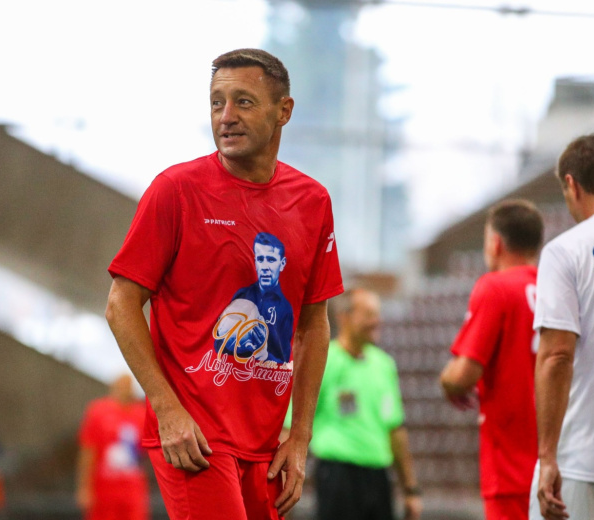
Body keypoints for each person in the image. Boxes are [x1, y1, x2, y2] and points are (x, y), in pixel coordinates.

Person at [105, 48, 344, 520]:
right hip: (194, 438)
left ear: (284, 110)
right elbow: (120, 305)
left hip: (266, 444)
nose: (226, 116)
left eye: (243, 102)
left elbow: (314, 325)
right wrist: (166, 408)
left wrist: (300, 436)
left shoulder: (313, 202)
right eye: (217, 103)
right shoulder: (175, 190)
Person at [439, 199, 544, 520]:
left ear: (495, 243)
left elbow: (463, 375)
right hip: (559, 463)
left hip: (511, 465)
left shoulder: (495, 287)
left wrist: (447, 381)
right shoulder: (556, 287)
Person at [285, 288, 421, 520]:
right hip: (338, 476)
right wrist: (284, 483)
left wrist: (410, 489)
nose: (376, 321)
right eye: (368, 314)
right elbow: (291, 424)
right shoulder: (323, 361)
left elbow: (395, 429)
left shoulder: (384, 365)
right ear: (344, 317)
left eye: (377, 314)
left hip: (378, 477)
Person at [530, 133, 594, 520]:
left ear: (572, 185)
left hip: (582, 461)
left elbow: (557, 356)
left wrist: (548, 457)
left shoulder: (565, 251)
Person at [213, 232, 293, 363]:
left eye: (271, 260)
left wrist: (264, 355)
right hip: (229, 372)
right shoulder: (241, 295)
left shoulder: (285, 309)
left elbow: (284, 363)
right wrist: (230, 338)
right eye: (260, 259)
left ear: (282, 263)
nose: (265, 267)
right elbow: (218, 345)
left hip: (265, 375)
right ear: (255, 262)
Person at [76, 373, 148, 520]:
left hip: (133, 489)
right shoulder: (98, 411)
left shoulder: (141, 413)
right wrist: (84, 487)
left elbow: (146, 450)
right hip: (103, 488)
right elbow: (88, 450)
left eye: (129, 386)